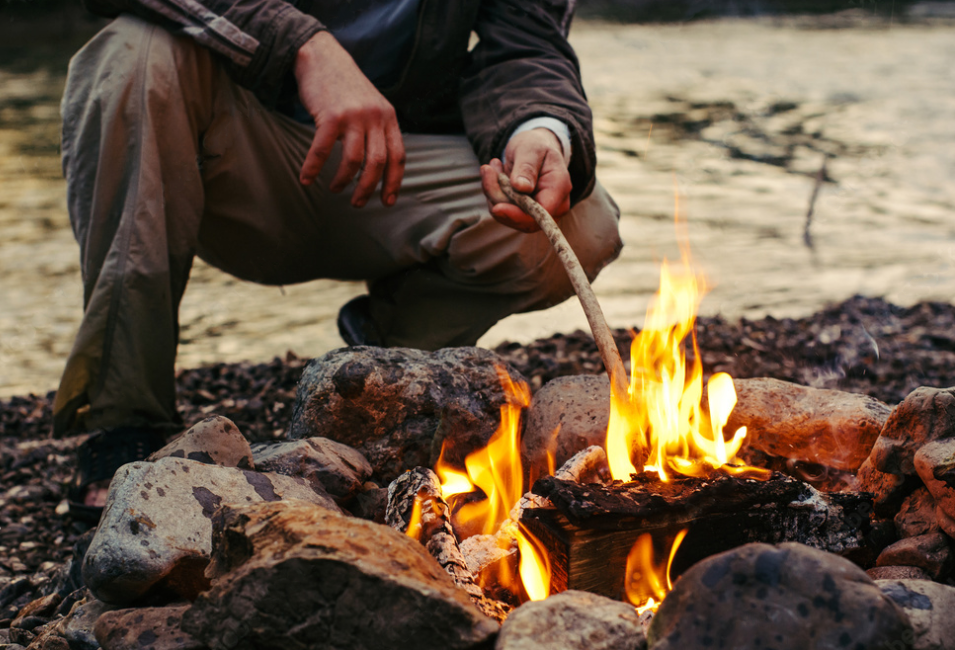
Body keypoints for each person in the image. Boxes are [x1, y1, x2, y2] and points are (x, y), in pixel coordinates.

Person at [55, 0, 623, 518]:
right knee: (133, 53)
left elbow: (525, 44)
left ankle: (389, 365)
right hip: (228, 152)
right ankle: (126, 418)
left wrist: (537, 127)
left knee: (582, 223)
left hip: (394, 165)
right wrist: (305, 46)